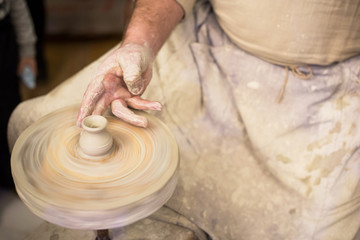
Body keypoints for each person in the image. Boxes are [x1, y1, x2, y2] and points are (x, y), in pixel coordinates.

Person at [8, 0, 359, 239]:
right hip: (209, 47)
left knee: (308, 230)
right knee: (31, 122)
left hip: (327, 89)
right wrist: (137, 44)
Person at [0, 0, 37, 189]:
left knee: (9, 109)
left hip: (4, 39)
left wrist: (27, 52)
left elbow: (18, 8)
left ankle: (14, 175)